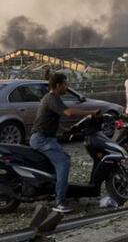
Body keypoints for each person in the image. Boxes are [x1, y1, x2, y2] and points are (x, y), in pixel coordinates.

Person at [29, 73, 98, 214]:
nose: (67, 87)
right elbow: (69, 112)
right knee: (64, 162)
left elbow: (49, 118)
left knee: (58, 164)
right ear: (58, 85)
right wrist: (91, 112)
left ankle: (56, 192)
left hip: (46, 138)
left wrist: (64, 130)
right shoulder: (51, 98)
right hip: (42, 139)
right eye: (65, 84)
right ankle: (59, 202)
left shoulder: (54, 99)